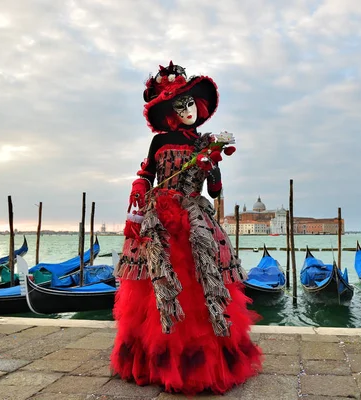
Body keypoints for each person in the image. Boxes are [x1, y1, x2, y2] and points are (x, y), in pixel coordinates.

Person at [110, 61, 262, 395]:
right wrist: (138, 189)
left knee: (201, 284)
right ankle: (160, 359)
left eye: (191, 103)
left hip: (195, 220)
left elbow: (216, 191)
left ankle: (201, 362)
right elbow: (147, 174)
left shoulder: (206, 143)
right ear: (169, 111)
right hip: (161, 220)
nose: (188, 109)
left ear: (199, 105)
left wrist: (213, 165)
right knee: (160, 285)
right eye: (180, 105)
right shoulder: (159, 142)